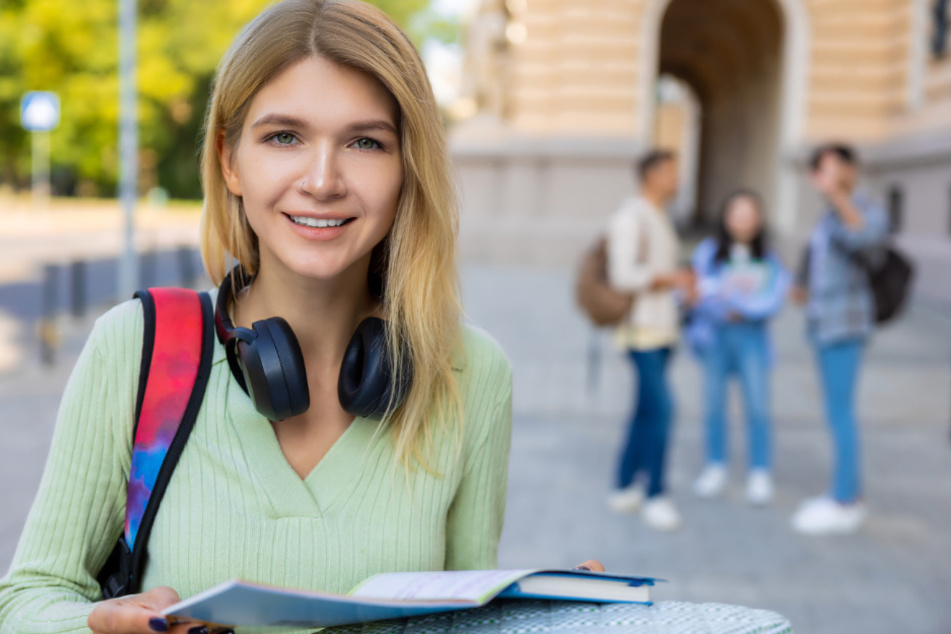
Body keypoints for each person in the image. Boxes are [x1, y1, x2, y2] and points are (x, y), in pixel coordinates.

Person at [0, 2, 568, 632]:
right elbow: (29, 598)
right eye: (284, 137)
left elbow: (465, 619)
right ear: (230, 161)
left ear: (408, 168)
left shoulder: (471, 371)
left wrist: (552, 619)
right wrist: (97, 628)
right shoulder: (135, 350)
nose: (322, 180)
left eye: (365, 142)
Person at [790, 143, 889, 535]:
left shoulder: (867, 207)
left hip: (846, 325)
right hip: (823, 324)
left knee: (841, 413)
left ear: (850, 169)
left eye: (829, 168)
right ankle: (849, 494)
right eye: (818, 171)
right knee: (835, 411)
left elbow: (866, 242)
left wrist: (839, 194)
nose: (822, 178)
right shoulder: (829, 215)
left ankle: (844, 500)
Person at [604, 150, 695, 532]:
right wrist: (674, 278)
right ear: (652, 175)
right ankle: (655, 492)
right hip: (640, 330)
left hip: (662, 329)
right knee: (662, 409)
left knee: (644, 410)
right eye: (671, 172)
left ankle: (624, 485)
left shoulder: (660, 216)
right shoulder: (631, 217)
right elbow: (623, 275)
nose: (677, 178)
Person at [687, 190, 790, 505]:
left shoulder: (769, 257)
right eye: (737, 213)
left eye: (749, 214)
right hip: (715, 338)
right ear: (726, 217)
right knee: (713, 404)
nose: (743, 220)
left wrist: (735, 304)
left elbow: (772, 298)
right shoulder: (708, 252)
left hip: (752, 340)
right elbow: (696, 293)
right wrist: (723, 304)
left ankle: (760, 471)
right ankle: (715, 466)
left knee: (758, 407)